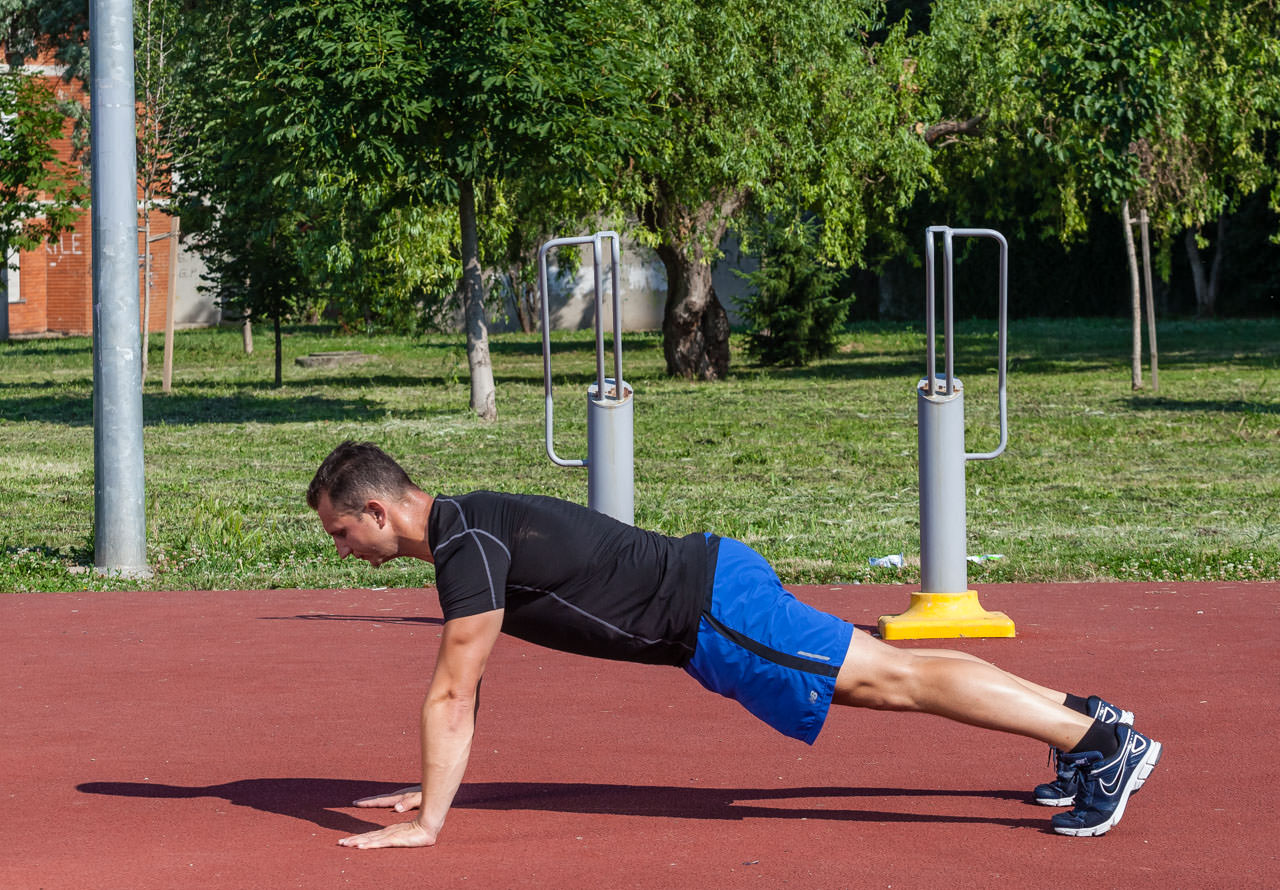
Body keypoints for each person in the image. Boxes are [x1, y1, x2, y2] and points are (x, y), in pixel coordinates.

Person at [306, 441, 1161, 849]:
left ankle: (1103, 743)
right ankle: (1085, 724)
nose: (343, 551)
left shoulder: (466, 546)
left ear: (379, 511)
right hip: (712, 596)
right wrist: (426, 790)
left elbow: (454, 693)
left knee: (896, 680)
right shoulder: (469, 531)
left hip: (711, 611)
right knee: (893, 676)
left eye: (342, 532)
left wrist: (428, 822)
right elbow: (468, 682)